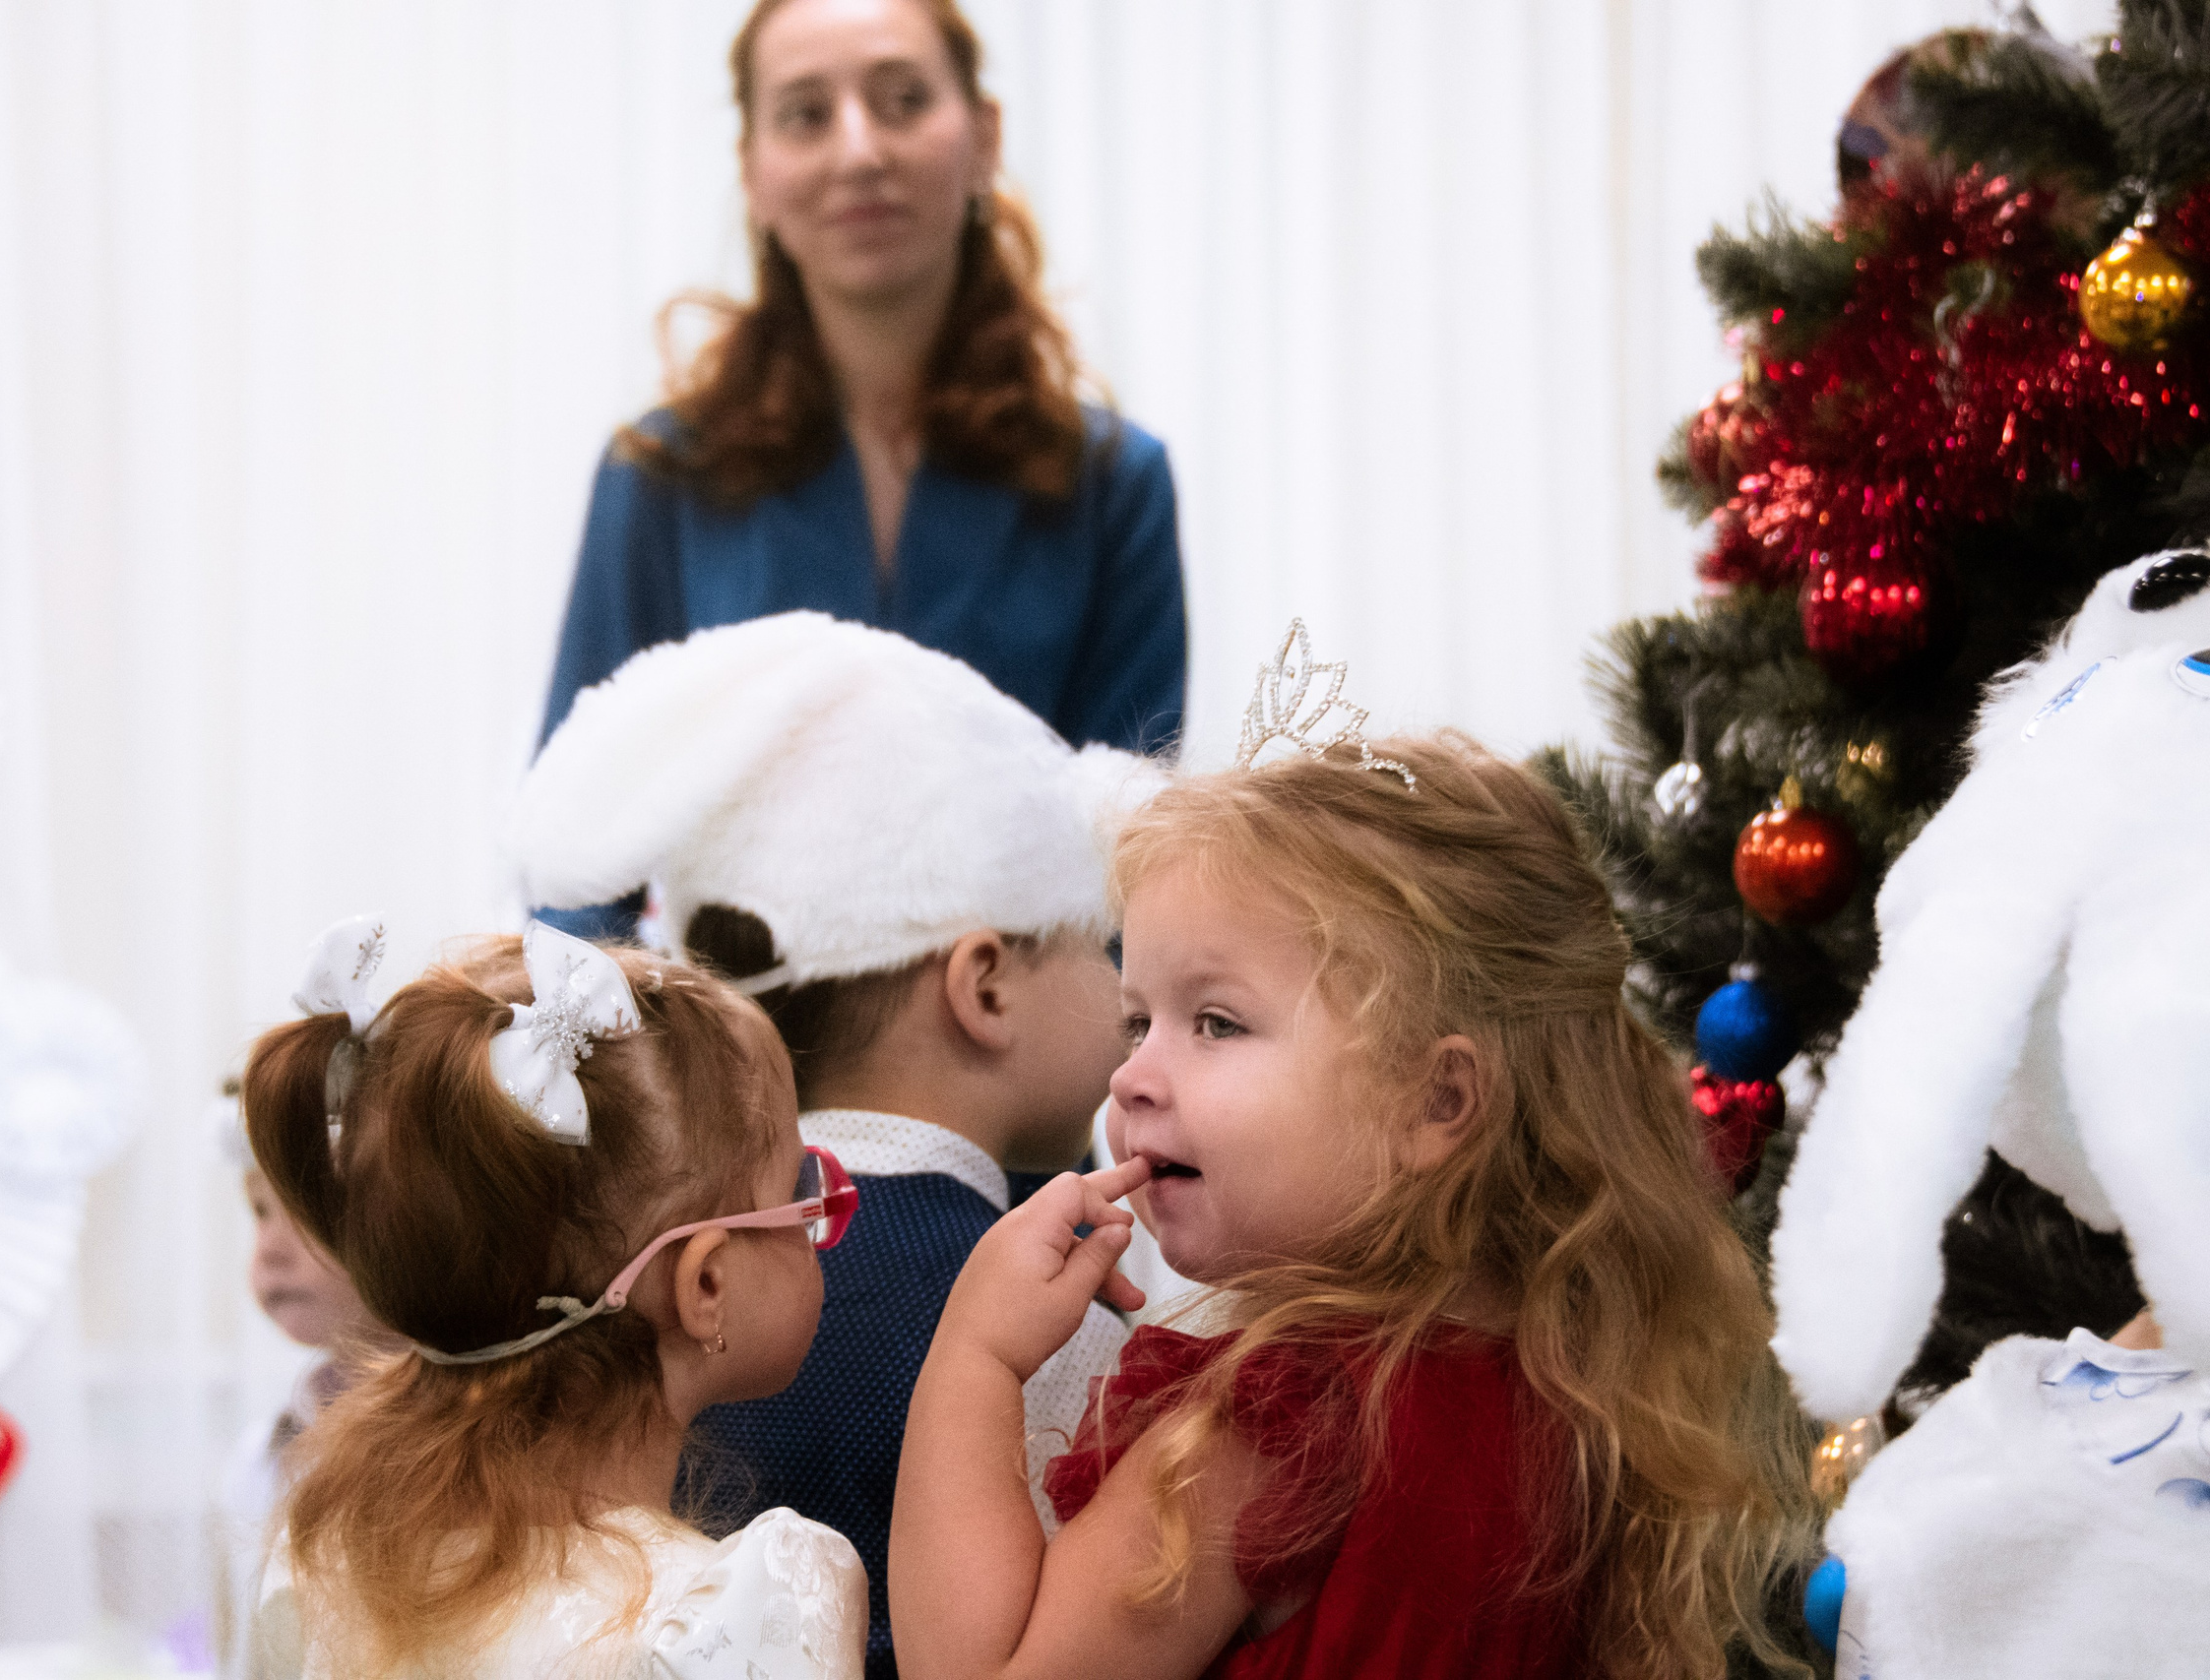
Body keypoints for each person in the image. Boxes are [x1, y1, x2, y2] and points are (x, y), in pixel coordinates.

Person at [891, 705, 1816, 1678]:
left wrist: (977, 1355)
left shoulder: (1272, 1430)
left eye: (1213, 1022)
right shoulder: (1573, 1391)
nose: (1132, 1078)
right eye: (1137, 1022)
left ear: (1434, 1100)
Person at [512, 611, 1153, 1679]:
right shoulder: (1051, 1316)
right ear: (983, 983)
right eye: (1104, 946)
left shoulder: (637, 1279)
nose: (1130, 1004)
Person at [542, 0, 1186, 774]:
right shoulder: (656, 476)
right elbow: (572, 839)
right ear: (753, 172)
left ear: (984, 136)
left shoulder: (1115, 487)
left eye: (904, 100)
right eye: (806, 114)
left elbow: (1132, 842)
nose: (859, 151)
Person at [239, 915, 868, 1679]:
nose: (819, 1204)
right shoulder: (739, 1613)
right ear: (706, 1283)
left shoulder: (314, 1567)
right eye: (798, 1187)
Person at [212, 1084, 388, 1678]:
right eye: (260, 1212)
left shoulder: (453, 1452)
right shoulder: (260, 1453)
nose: (269, 1253)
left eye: (310, 1211)